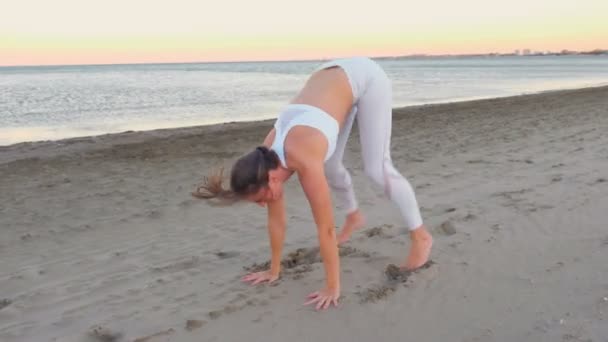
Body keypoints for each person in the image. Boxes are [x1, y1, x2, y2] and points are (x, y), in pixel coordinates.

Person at [193, 56, 433, 311]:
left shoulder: (303, 158)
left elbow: (326, 229)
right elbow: (276, 222)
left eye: (261, 198)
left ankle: (421, 236)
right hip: (329, 83)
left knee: (377, 168)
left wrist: (332, 287)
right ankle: (354, 216)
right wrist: (273, 270)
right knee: (329, 165)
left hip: (364, 77)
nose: (264, 204)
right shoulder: (264, 159)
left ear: (272, 179)